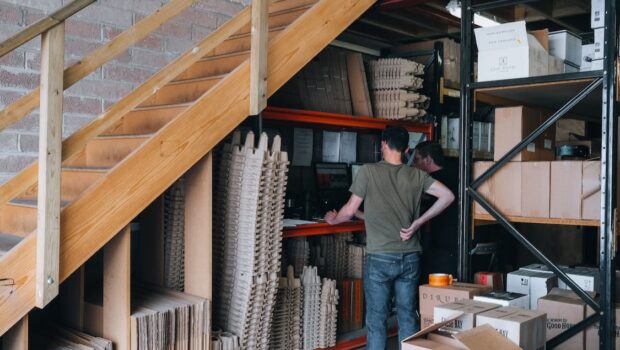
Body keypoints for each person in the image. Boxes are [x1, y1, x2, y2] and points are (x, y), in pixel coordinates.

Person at [324, 126, 454, 349]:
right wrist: (418, 222)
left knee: (376, 319)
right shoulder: (417, 175)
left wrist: (332, 219)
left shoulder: (368, 171)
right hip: (410, 256)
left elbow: (347, 211)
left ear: (383, 144)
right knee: (407, 316)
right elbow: (447, 196)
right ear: (407, 149)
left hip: (381, 258)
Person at [413, 141, 459, 280]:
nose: (414, 165)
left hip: (441, 247)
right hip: (456, 243)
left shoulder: (431, 182)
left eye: (416, 160)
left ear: (428, 159)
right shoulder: (456, 174)